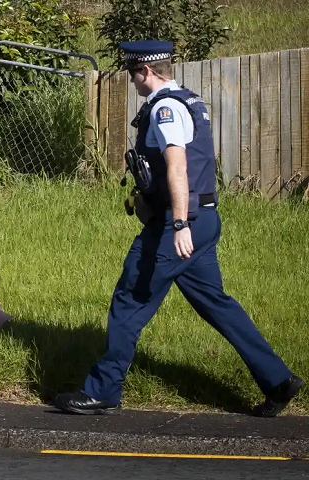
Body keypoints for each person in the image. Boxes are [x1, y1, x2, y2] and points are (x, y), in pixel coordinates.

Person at [53, 40, 302, 417]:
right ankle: (279, 381)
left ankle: (102, 391)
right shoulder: (190, 100)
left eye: (132, 72)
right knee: (217, 305)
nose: (131, 80)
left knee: (129, 299)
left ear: (146, 72)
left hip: (180, 225)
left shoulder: (165, 108)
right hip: (204, 219)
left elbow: (178, 167)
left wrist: (179, 223)